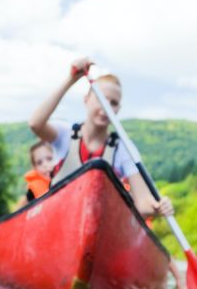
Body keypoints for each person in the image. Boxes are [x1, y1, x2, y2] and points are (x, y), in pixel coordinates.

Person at [27, 56, 173, 218]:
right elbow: (35, 123)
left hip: (98, 223)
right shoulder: (65, 134)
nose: (106, 107)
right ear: (86, 100)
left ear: (118, 109)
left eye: (113, 103)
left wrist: (157, 207)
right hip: (58, 220)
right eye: (101, 99)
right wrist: (71, 79)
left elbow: (143, 202)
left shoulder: (123, 147)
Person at [18, 139, 56, 207]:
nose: (45, 165)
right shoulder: (31, 191)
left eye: (49, 159)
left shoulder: (63, 174)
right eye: (39, 163)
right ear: (35, 168)